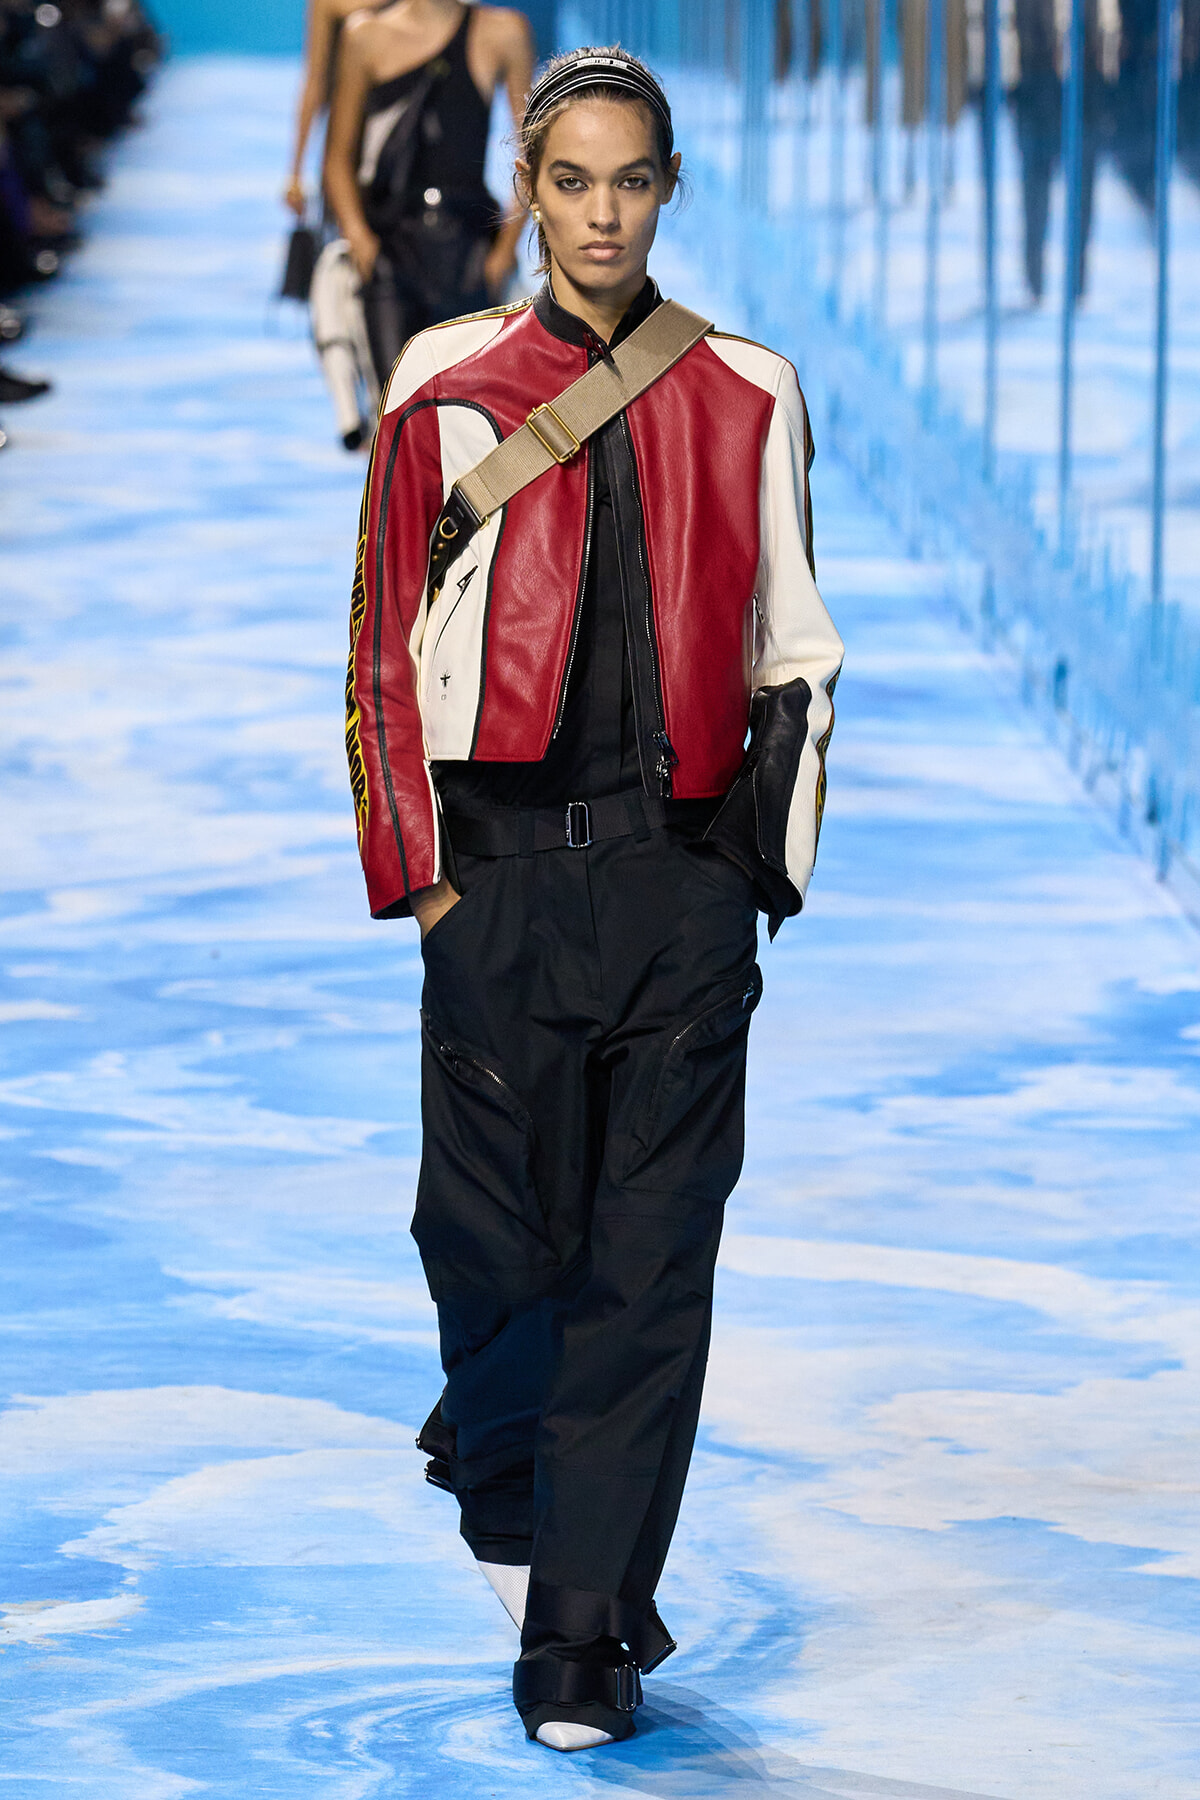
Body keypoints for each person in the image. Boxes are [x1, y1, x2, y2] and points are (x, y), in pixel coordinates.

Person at [345, 45, 844, 1751]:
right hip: (492, 883)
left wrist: (759, 878)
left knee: (649, 1265)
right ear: (528, 193)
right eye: (574, 180)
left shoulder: (752, 388)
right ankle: (499, 1446)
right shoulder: (442, 384)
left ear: (671, 187)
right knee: (489, 1238)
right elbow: (382, 657)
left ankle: (576, 1638)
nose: (604, 211)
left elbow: (795, 647)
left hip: (678, 887)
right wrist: (423, 893)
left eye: (634, 180)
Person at [323, 0, 534, 387]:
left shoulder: (504, 33)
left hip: (470, 248)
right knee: (394, 407)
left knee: (471, 411)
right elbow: (338, 159)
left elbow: (534, 157)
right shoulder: (364, 36)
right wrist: (359, 238)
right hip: (389, 246)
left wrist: (504, 251)